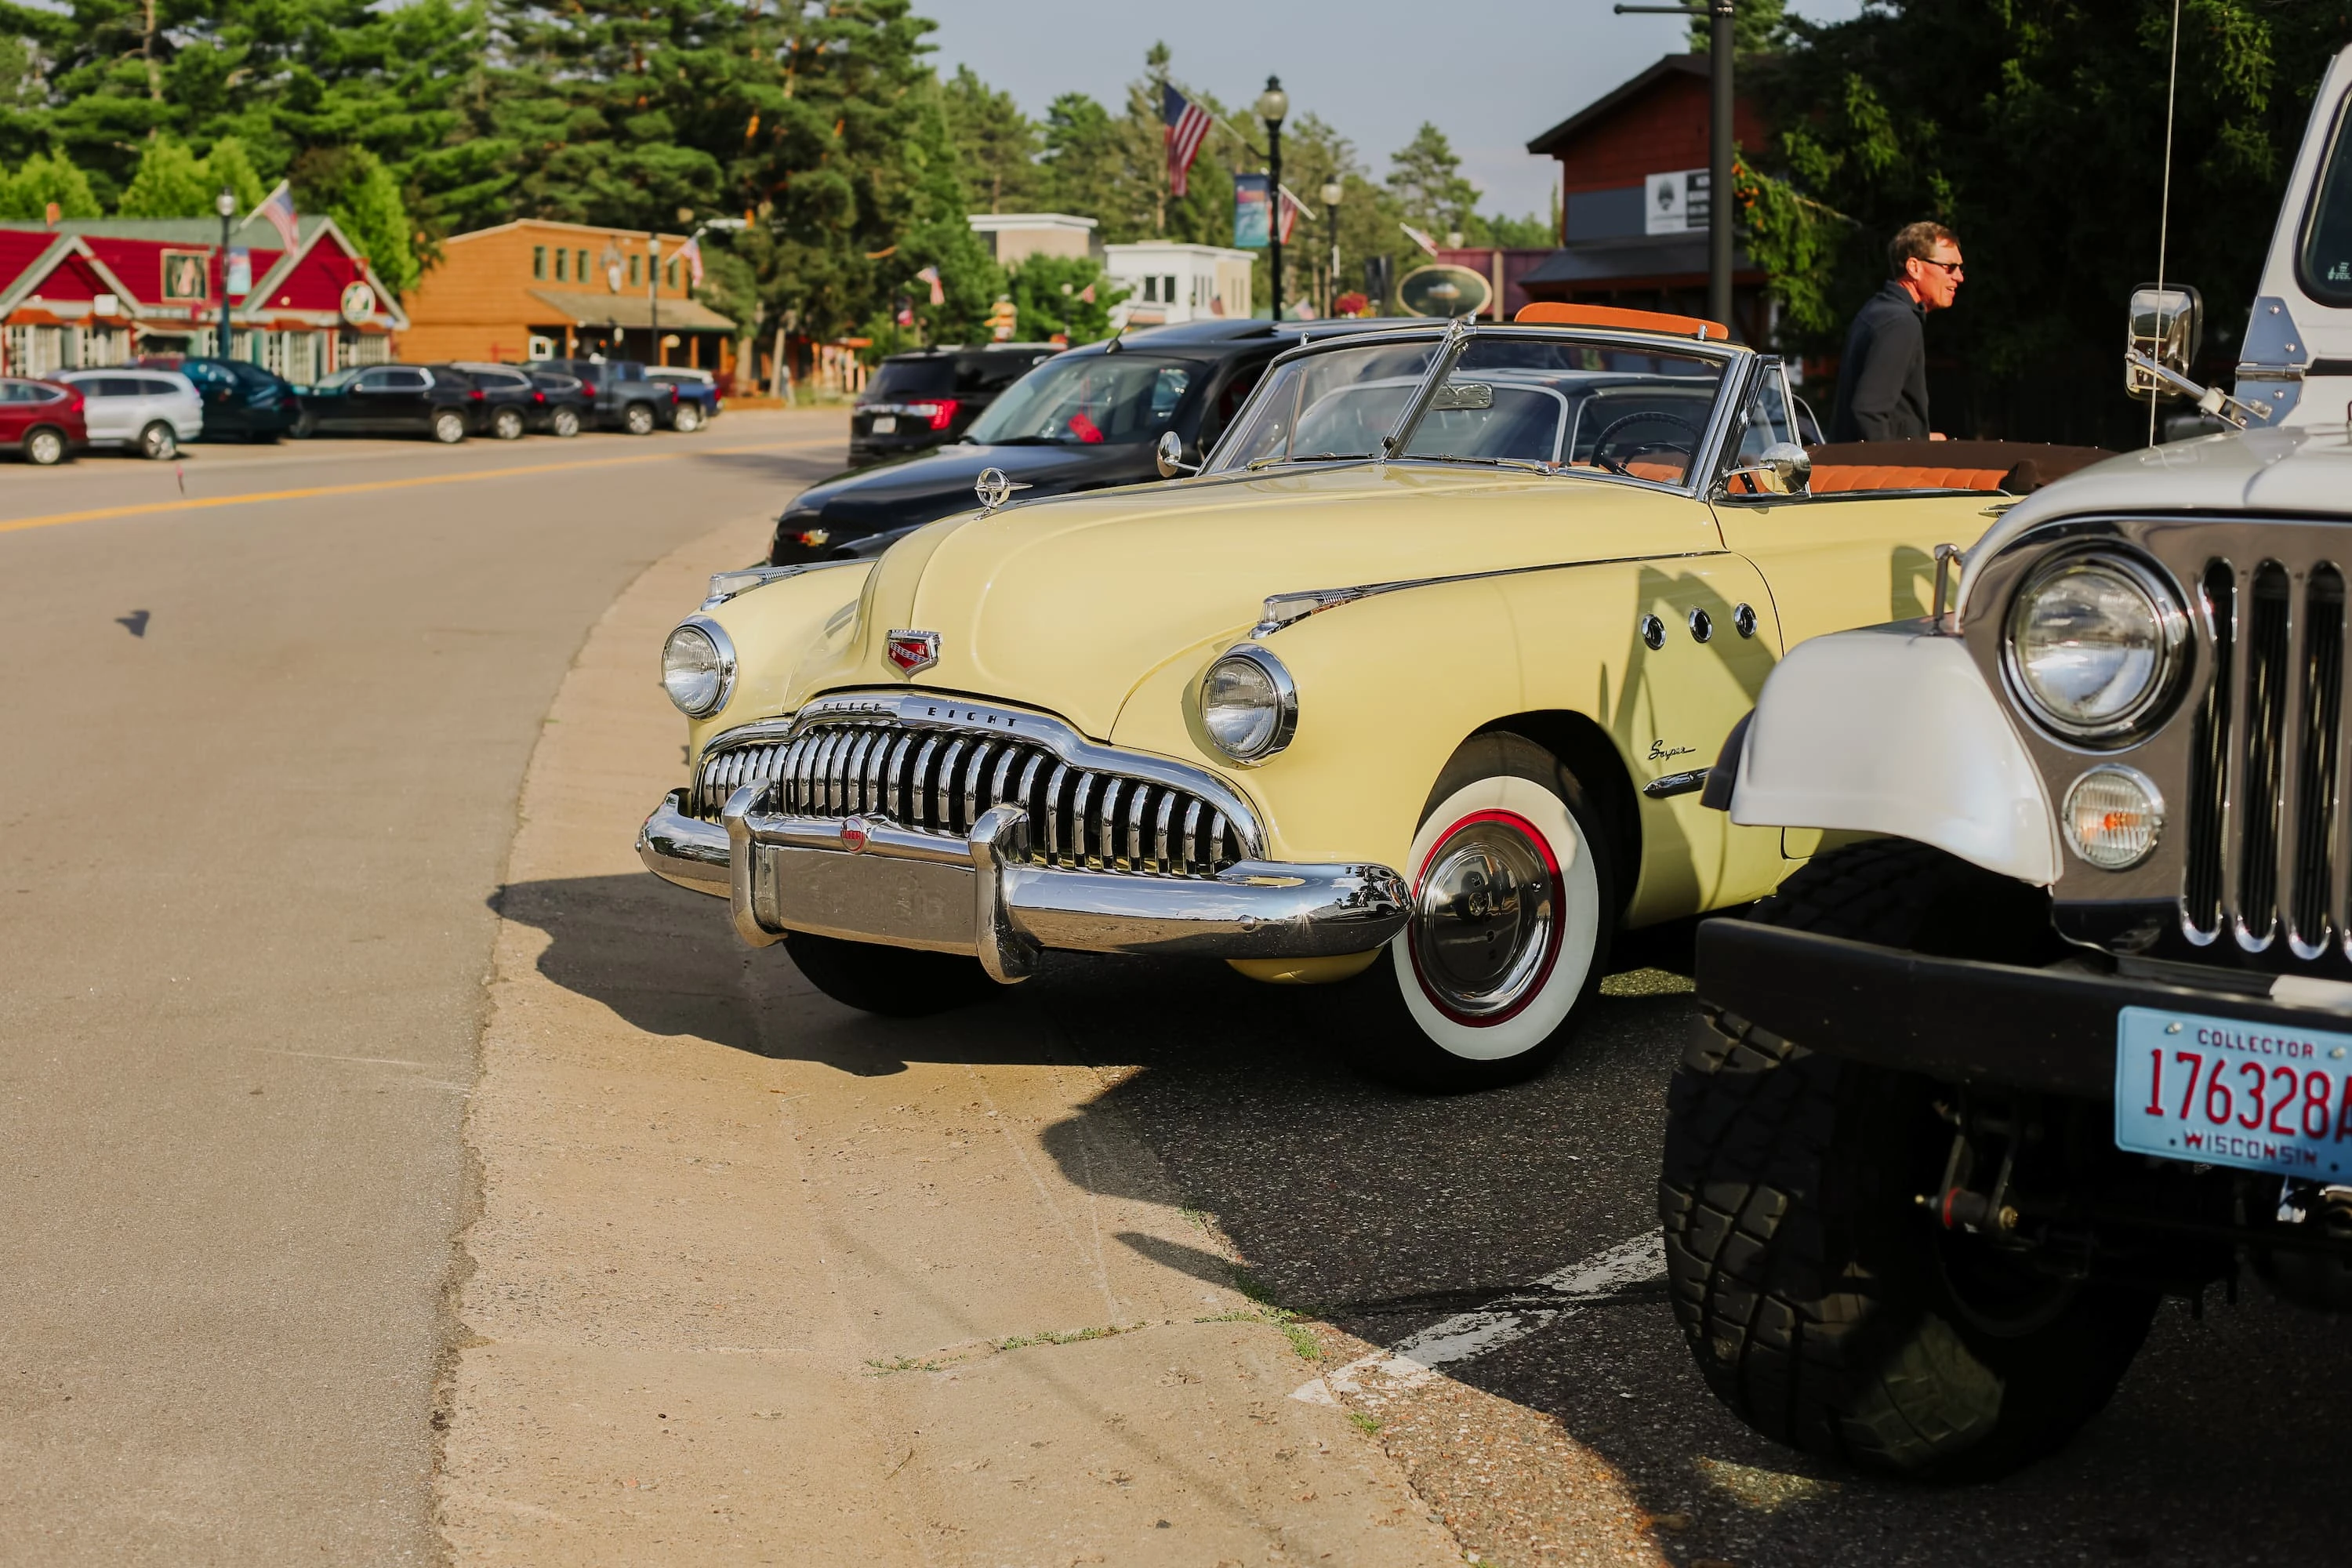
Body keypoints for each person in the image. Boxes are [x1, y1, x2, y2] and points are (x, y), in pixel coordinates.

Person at [1828, 221, 1963, 443]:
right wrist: (1893, 471)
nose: (1958, 277)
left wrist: (1921, 440)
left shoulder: (1879, 310)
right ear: (1914, 268)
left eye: (1960, 268)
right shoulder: (1900, 322)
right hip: (1877, 475)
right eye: (1949, 267)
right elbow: (1869, 413)